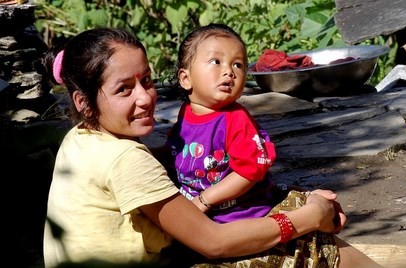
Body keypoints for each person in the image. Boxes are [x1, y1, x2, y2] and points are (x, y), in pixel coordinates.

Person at [41, 27, 381, 268]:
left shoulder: (80, 139)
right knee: (303, 241)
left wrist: (294, 200)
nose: (145, 98)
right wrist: (307, 217)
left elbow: (178, 161)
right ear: (84, 102)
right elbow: (214, 243)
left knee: (290, 204)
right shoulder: (125, 159)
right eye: (124, 90)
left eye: (145, 81)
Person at [163, 23, 276, 223]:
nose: (229, 72)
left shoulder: (235, 119)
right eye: (216, 61)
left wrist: (204, 201)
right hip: (197, 206)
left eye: (238, 65)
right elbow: (177, 150)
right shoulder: (186, 113)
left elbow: (248, 172)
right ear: (185, 78)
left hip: (238, 214)